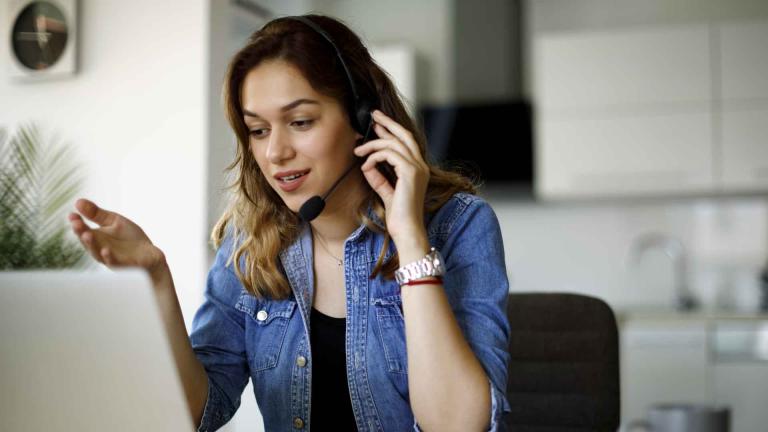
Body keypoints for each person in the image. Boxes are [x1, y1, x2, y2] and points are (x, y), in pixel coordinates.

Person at [68, 13, 511, 432]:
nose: (275, 153)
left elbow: (459, 425)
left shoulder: (459, 226)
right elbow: (198, 413)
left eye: (300, 122)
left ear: (363, 119)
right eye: (258, 130)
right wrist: (155, 279)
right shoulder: (250, 241)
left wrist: (410, 240)